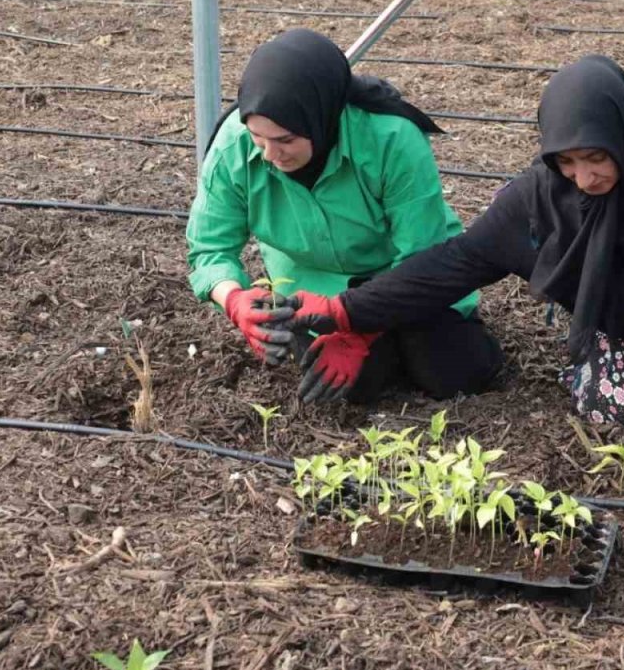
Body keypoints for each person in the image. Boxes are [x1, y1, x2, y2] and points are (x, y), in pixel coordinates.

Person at [289, 55, 624, 470]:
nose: (585, 178)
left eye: (597, 157)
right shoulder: (542, 200)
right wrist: (349, 312)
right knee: (603, 403)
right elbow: (456, 263)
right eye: (567, 162)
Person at [185, 28, 503, 403]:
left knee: (454, 373)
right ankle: (387, 350)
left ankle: (405, 341)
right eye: (259, 138)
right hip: (315, 296)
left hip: (406, 280)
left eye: (286, 140)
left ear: (322, 116)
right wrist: (235, 301)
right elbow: (208, 250)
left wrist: (358, 332)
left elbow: (421, 255)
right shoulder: (232, 147)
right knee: (352, 388)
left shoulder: (391, 139)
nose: (271, 154)